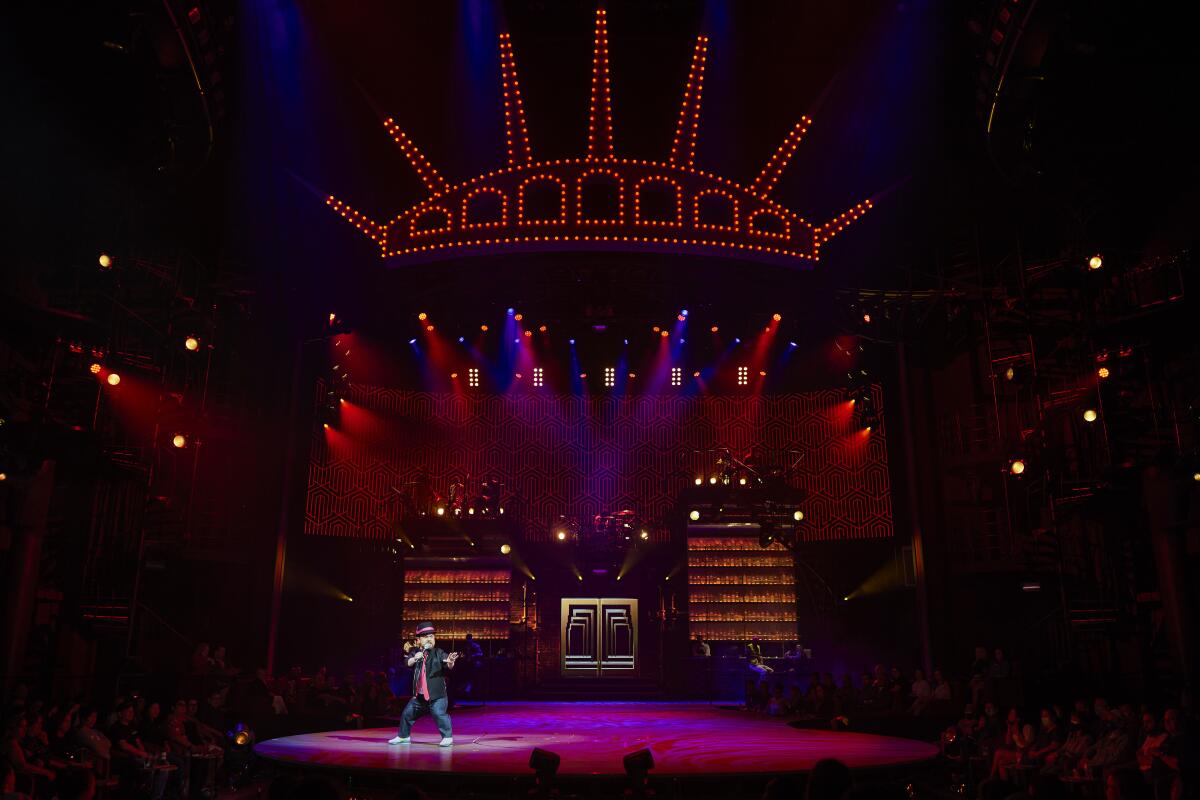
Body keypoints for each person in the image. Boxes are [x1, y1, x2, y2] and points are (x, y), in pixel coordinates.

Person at [389, 622, 459, 747]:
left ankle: (447, 737)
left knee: (438, 713)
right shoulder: (415, 653)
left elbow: (447, 662)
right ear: (419, 640)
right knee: (407, 713)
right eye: (426, 636)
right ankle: (403, 736)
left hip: (437, 696)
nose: (429, 639)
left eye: (431, 636)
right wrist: (415, 658)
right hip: (420, 697)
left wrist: (450, 662)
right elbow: (408, 662)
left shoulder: (438, 652)